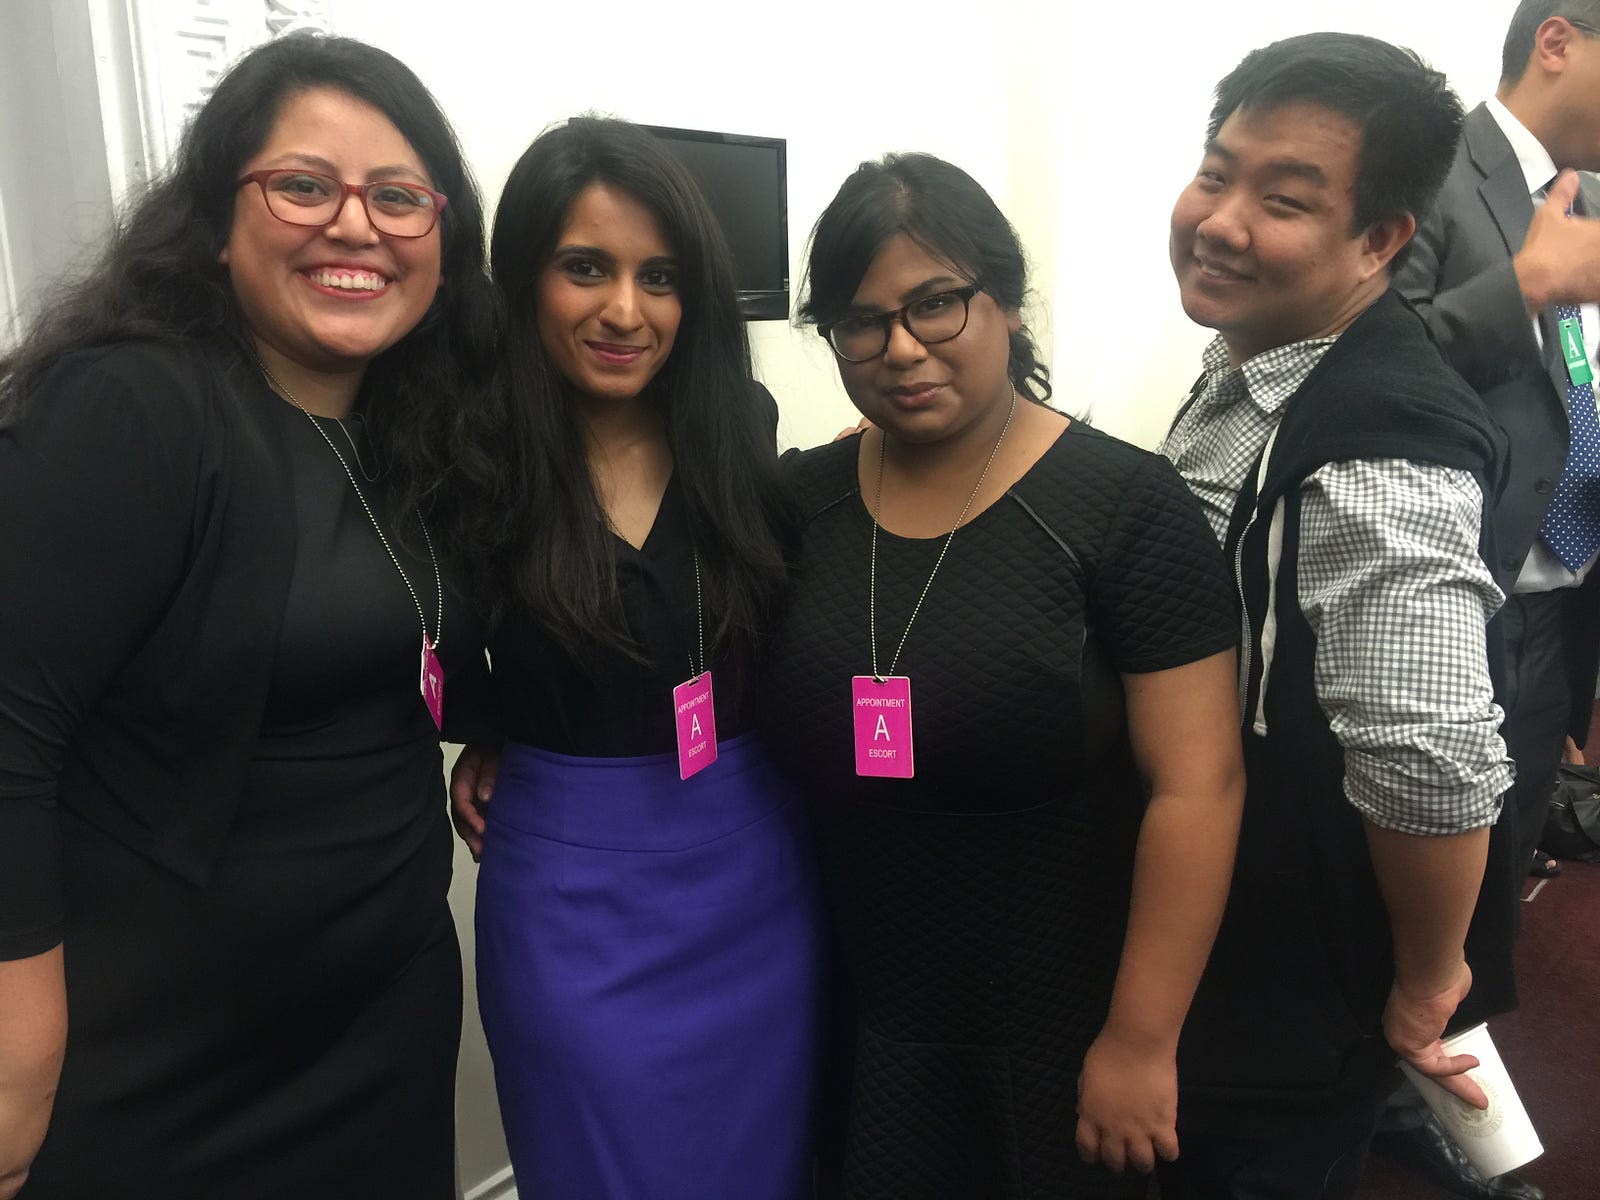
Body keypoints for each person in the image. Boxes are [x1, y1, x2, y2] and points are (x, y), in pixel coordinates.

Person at [0, 32, 498, 1200]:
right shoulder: (133, 403)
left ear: (442, 242)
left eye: (398, 198)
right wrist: (19, 1052)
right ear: (217, 223)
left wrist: (501, 728)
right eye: (304, 186)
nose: (356, 227)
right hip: (169, 1058)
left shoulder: (416, 433)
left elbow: (409, 640)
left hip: (383, 1016)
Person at [754, 151, 1246, 1199]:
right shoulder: (801, 504)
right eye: (860, 322)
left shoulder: (1122, 507)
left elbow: (1197, 788)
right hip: (852, 993)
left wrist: (1140, 1040)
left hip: (1054, 1009)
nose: (900, 348)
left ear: (1008, 303)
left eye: (935, 304)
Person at [1156, 32, 1517, 1200]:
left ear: (1379, 241)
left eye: (1283, 200)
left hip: (1291, 977)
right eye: (1215, 173)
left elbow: (1426, 758)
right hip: (1223, 939)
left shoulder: (1381, 441)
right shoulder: (1258, 359)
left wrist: (1426, 979)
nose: (1219, 221)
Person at [449, 117, 823, 1199]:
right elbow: (424, 620)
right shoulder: (470, 448)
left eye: (659, 277)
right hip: (569, 899)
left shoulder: (738, 423)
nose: (626, 310)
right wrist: (493, 724)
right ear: (525, 276)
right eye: (585, 268)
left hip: (755, 871)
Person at [1397, 2, 1600, 887]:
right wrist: (1521, 287)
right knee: (1430, 851)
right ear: (1557, 41)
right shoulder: (1426, 168)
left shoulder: (1590, 197)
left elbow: (1580, 372)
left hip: (1566, 590)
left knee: (1511, 844)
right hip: (1459, 591)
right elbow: (1359, 367)